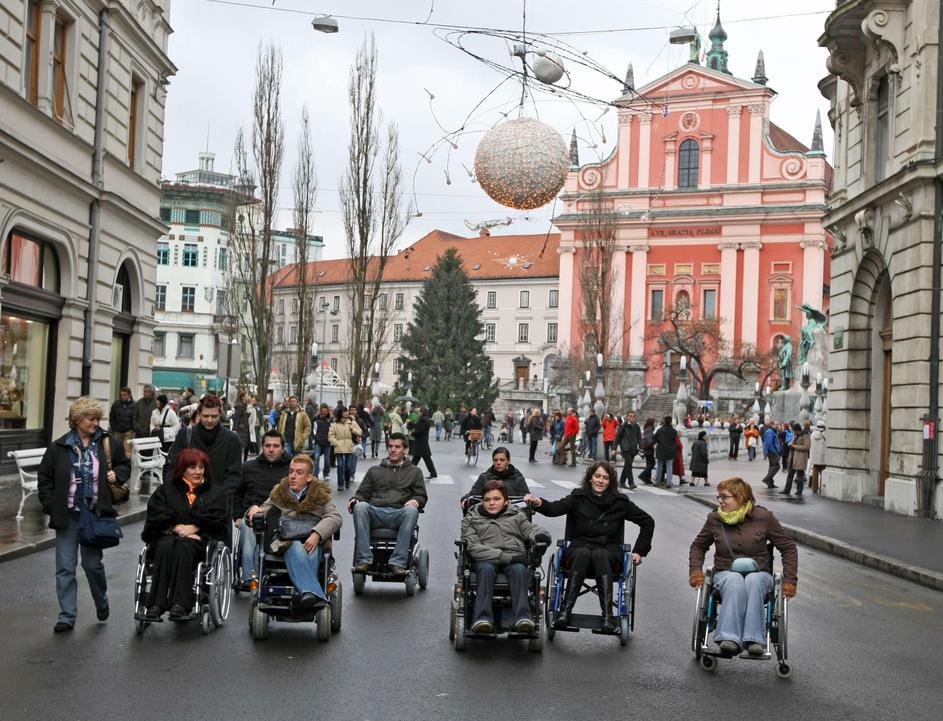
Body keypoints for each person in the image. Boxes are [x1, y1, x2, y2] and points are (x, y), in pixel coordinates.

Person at [525, 461, 654, 631]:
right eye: (597, 476)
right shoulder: (578, 497)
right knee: (584, 553)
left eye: (605, 478)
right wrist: (537, 502)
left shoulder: (620, 502)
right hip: (579, 549)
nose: (601, 481)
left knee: (599, 554)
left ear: (610, 481)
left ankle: (608, 616)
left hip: (608, 552)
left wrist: (639, 551)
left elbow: (647, 522)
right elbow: (555, 508)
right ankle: (565, 612)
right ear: (590, 478)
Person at [38, 397, 130, 633]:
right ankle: (67, 616)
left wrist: (116, 474)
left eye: (98, 418)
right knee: (65, 568)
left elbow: (124, 465)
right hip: (68, 517)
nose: (95, 423)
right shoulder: (59, 447)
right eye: (91, 418)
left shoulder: (107, 443)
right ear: (77, 420)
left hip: (94, 514)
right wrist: (52, 505)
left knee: (92, 565)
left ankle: (101, 601)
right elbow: (45, 480)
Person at [688, 477, 798, 656]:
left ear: (740, 497)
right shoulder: (714, 519)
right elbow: (698, 546)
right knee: (734, 579)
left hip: (760, 573)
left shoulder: (764, 517)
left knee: (753, 580)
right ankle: (729, 638)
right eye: (719, 497)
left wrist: (790, 580)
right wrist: (695, 571)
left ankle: (754, 640)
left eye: (725, 497)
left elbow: (788, 547)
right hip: (725, 573)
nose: (720, 501)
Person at [141, 448, 229, 620]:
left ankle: (180, 604)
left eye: (201, 467)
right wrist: (175, 527)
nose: (198, 472)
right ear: (182, 469)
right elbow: (156, 513)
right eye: (192, 467)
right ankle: (156, 605)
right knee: (164, 547)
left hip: (199, 541)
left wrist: (195, 527)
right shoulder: (167, 490)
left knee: (185, 546)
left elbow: (218, 518)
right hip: (168, 535)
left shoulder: (216, 493)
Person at [461, 479, 551, 634]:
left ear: (506, 501)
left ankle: (523, 618)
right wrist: (507, 557)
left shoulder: (516, 515)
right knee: (487, 569)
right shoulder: (471, 519)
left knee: (519, 570)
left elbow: (531, 530)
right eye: (487, 500)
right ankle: (482, 619)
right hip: (486, 559)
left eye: (497, 499)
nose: (491, 503)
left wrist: (541, 536)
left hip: (514, 556)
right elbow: (473, 547)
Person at [256, 454, 343, 610]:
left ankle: (306, 592)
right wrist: (254, 510)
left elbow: (335, 517)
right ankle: (313, 594)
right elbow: (264, 509)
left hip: (313, 541)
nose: (293, 476)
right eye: (291, 471)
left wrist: (317, 534)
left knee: (309, 549)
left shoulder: (320, 495)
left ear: (309, 477)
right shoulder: (279, 493)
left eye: (299, 472)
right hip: (285, 541)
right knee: (296, 546)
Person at [348, 433, 427, 577]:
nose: (393, 450)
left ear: (405, 450)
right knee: (360, 507)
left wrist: (417, 500)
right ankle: (364, 560)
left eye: (397, 447)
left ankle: (398, 562)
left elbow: (421, 495)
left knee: (411, 511)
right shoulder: (374, 471)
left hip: (399, 513)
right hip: (376, 512)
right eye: (390, 446)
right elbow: (362, 493)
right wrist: (355, 500)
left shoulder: (415, 472)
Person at [233, 429, 292, 585]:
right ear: (262, 447)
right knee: (249, 525)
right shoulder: (248, 467)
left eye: (275, 446)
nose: (271, 450)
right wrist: (237, 516)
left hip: (283, 512)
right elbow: (237, 493)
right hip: (253, 510)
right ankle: (250, 576)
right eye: (267, 446)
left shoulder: (292, 469)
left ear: (282, 447)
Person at [166, 395, 242, 495]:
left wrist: (219, 496)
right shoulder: (185, 435)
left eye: (214, 416)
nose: (209, 420)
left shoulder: (232, 439)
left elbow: (233, 475)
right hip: (187, 499)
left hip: (219, 502)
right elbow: (173, 467)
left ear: (220, 414)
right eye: (206, 416)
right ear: (199, 414)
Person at [461, 447, 530, 509]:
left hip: (512, 517)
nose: (498, 463)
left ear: (508, 461)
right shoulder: (484, 477)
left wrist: (528, 498)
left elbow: (526, 496)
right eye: (495, 460)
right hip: (488, 517)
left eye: (502, 460)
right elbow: (472, 495)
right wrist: (465, 499)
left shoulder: (518, 478)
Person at [330, 406, 362, 491]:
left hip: (349, 447)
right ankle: (340, 484)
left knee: (348, 466)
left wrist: (353, 429)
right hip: (339, 448)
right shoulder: (335, 424)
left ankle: (347, 480)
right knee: (340, 466)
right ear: (341, 413)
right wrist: (336, 443)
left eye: (347, 411)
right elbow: (331, 436)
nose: (347, 413)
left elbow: (360, 432)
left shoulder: (351, 422)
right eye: (345, 411)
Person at [782, 422, 811, 496]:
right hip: (793, 458)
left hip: (800, 458)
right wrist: (791, 443)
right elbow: (794, 442)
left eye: (795, 431)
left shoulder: (805, 435)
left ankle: (799, 491)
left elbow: (807, 447)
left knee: (800, 475)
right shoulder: (797, 435)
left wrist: (794, 446)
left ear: (798, 430)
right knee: (790, 474)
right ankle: (786, 490)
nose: (794, 432)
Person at [614, 411, 642, 489]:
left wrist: (641, 448)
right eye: (630, 416)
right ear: (627, 417)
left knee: (627, 465)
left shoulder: (637, 426)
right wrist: (614, 448)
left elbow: (639, 438)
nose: (632, 417)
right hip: (625, 448)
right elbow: (617, 438)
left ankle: (622, 482)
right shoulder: (623, 426)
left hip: (633, 448)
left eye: (633, 416)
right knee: (629, 464)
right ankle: (631, 483)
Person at [408, 407, 438, 479]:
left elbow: (419, 430)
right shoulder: (426, 419)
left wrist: (412, 433)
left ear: (421, 412)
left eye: (419, 411)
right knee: (423, 458)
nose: (418, 413)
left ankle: (408, 472)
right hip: (423, 441)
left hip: (420, 441)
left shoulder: (422, 420)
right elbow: (418, 427)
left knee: (417, 458)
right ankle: (433, 473)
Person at [109, 386, 135, 457]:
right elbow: (112, 417)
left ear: (129, 395)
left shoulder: (134, 405)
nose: (122, 397)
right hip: (117, 431)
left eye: (124, 395)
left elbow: (135, 418)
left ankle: (127, 466)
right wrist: (113, 428)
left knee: (127, 451)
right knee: (117, 449)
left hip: (129, 432)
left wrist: (133, 429)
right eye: (121, 395)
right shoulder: (116, 404)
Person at [653, 415, 678, 488]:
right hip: (670, 451)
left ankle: (657, 482)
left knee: (659, 467)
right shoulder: (674, 431)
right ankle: (669, 483)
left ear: (664, 421)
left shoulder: (660, 430)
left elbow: (654, 439)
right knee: (669, 468)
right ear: (670, 421)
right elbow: (674, 440)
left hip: (660, 450)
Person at [311, 404, 333, 483]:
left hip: (327, 442)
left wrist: (331, 439)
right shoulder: (315, 418)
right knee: (316, 458)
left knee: (327, 460)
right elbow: (312, 429)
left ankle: (326, 473)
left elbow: (333, 430)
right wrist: (314, 437)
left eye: (325, 411)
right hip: (318, 442)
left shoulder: (330, 419)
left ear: (327, 411)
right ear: (320, 411)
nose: (323, 413)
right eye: (322, 411)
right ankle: (316, 474)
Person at [760, 421, 782, 489]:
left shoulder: (773, 431)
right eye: (776, 424)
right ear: (771, 425)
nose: (777, 426)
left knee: (772, 466)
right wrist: (775, 451)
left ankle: (770, 483)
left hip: (772, 451)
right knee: (777, 466)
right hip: (772, 452)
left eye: (777, 424)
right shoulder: (770, 432)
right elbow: (769, 444)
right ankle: (767, 479)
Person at [232, 391, 252, 462]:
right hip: (241, 430)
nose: (248, 397)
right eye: (247, 396)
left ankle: (243, 463)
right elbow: (236, 417)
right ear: (243, 397)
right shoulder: (240, 406)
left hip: (245, 430)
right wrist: (235, 429)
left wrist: (247, 413)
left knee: (246, 447)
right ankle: (239, 464)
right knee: (241, 448)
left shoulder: (245, 406)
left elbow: (243, 417)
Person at [809, 420, 827, 494]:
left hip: (814, 458)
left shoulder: (812, 435)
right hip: (823, 458)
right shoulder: (826, 435)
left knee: (815, 473)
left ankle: (814, 489)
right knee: (823, 473)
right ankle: (822, 489)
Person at [638, 418, 656, 484]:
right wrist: (653, 444)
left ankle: (647, 479)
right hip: (649, 449)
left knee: (649, 464)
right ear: (651, 423)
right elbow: (649, 440)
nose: (654, 424)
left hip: (646, 448)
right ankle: (642, 475)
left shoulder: (647, 429)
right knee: (652, 463)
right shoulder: (649, 430)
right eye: (653, 423)